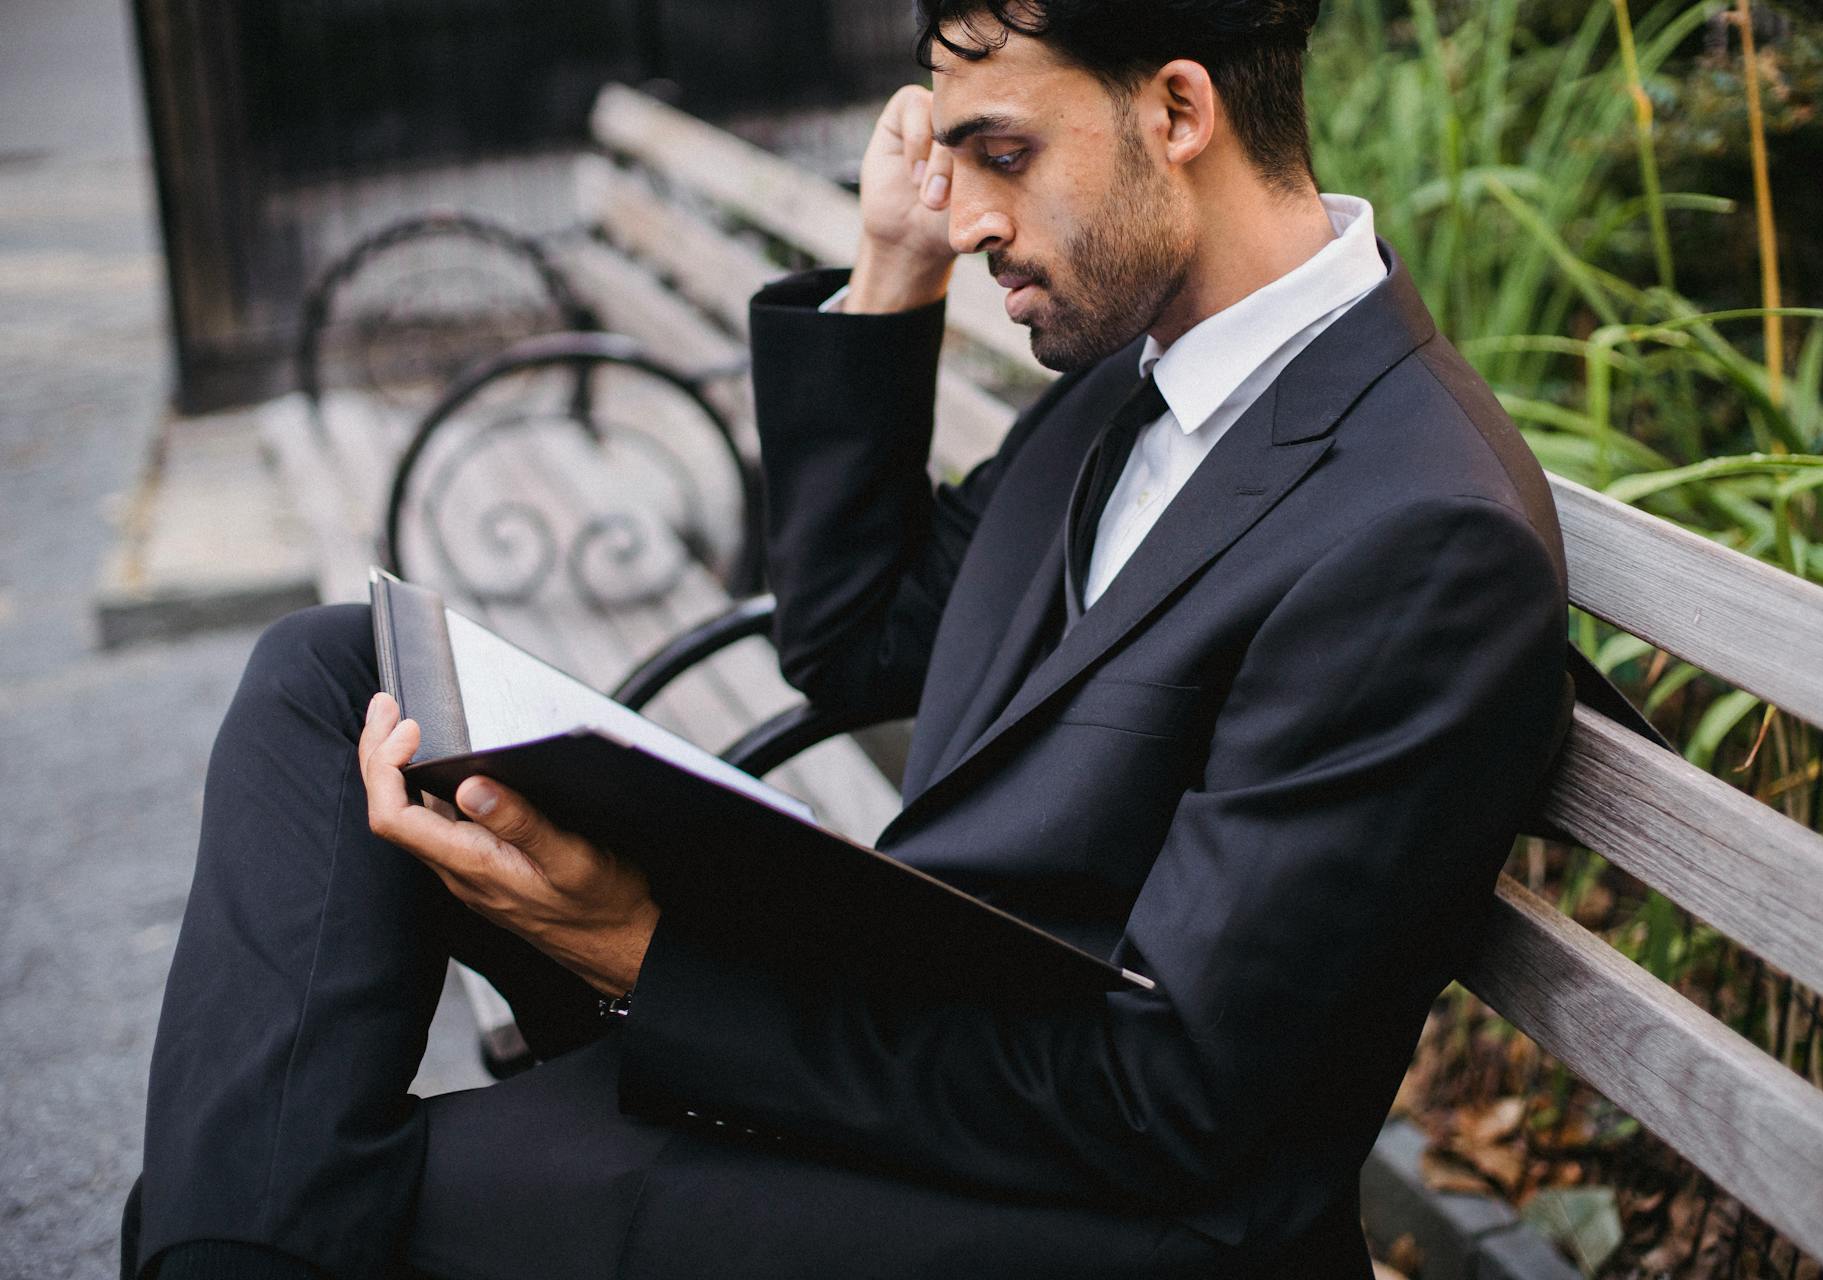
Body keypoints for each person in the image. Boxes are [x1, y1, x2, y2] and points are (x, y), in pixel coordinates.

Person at [126, 2, 1583, 1276]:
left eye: (1001, 153)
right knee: (335, 675)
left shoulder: (1418, 533)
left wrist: (649, 958)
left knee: (306, 1193)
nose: (964, 212)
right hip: (917, 1039)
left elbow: (1176, 1104)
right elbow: (860, 644)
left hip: (1095, 1203)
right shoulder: (1142, 385)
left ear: (1180, 109)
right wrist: (892, 272)